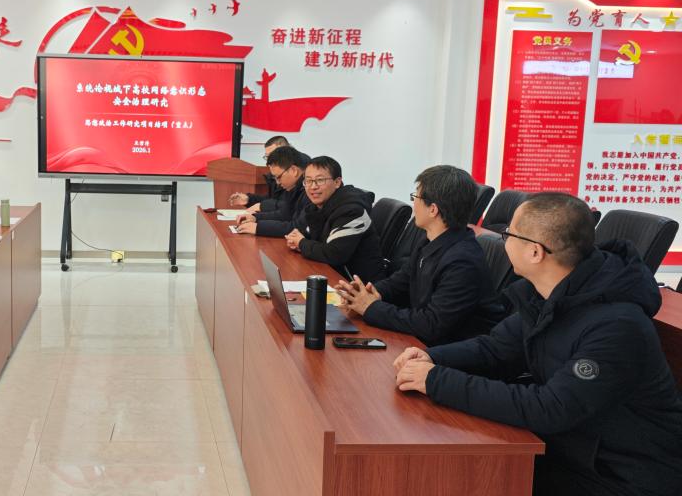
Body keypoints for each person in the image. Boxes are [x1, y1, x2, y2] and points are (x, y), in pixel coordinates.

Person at [393, 192, 682, 496]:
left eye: (509, 234)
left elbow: (550, 407)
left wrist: (437, 380)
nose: (503, 239)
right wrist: (430, 358)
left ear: (534, 252)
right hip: (571, 450)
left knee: (465, 477)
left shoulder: (617, 327)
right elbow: (495, 349)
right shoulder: (549, 294)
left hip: (623, 474)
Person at [335, 165, 505, 346]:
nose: (413, 204)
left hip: (451, 351)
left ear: (433, 209)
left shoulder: (463, 261)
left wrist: (371, 308)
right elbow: (401, 281)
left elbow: (431, 324)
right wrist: (365, 294)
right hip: (425, 342)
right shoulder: (431, 240)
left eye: (415, 197)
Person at [284, 156, 383, 281]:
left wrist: (301, 243)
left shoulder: (352, 211)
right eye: (308, 181)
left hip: (359, 284)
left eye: (320, 180)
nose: (313, 187)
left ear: (337, 182)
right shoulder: (317, 206)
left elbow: (334, 254)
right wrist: (298, 240)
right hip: (332, 273)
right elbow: (316, 238)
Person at [235, 146, 310, 237]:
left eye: (279, 177)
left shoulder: (310, 190)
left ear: (293, 170)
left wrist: (258, 228)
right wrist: (255, 218)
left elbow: (298, 228)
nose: (278, 183)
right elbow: (285, 214)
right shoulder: (293, 186)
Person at [228, 135, 311, 215]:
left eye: (272, 155)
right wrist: (249, 199)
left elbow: (287, 207)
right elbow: (274, 199)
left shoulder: (302, 169)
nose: (269, 161)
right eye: (267, 157)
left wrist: (260, 211)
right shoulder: (277, 170)